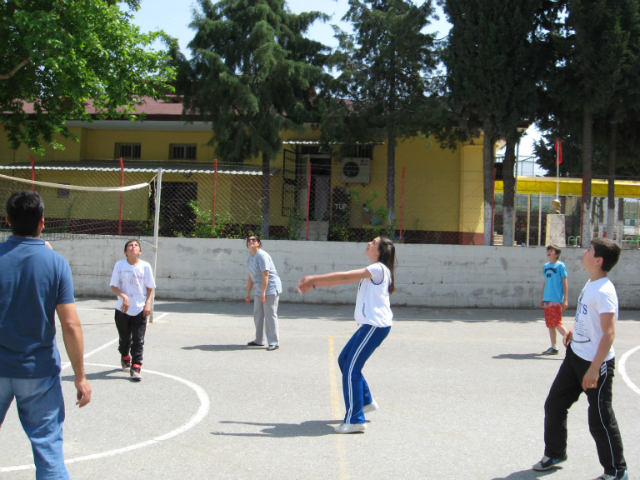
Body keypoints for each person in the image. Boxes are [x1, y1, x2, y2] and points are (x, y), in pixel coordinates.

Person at [0, 190, 91, 479]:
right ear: (42, 222)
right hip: (38, 371)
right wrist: (80, 375)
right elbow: (70, 325)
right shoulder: (56, 263)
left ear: (7, 220)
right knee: (48, 449)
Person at [533, 238, 628, 480]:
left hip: (596, 364)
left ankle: (616, 471)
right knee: (554, 405)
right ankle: (555, 453)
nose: (584, 252)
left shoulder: (605, 290)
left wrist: (594, 369)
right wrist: (575, 330)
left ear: (598, 260)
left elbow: (609, 333)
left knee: (600, 420)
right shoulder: (591, 283)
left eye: (589, 250)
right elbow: (587, 315)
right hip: (575, 357)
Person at [297, 236, 396, 434]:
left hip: (375, 326)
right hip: (371, 325)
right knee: (345, 360)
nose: (369, 243)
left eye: (374, 242)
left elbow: (344, 277)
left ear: (379, 251)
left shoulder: (378, 269)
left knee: (351, 368)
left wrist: (314, 280)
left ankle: (355, 419)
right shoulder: (377, 270)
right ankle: (366, 401)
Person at [110, 239, 156, 381]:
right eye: (130, 245)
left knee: (138, 340)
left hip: (139, 310)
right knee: (125, 339)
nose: (133, 247)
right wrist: (124, 297)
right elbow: (113, 286)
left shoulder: (145, 266)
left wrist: (148, 303)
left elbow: (150, 287)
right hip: (123, 310)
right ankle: (125, 356)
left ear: (140, 251)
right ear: (125, 251)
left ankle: (136, 366)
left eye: (136, 245)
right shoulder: (119, 265)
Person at [245, 234, 282, 351]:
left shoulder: (262, 256)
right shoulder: (250, 258)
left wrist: (263, 292)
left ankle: (274, 342)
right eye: (249, 240)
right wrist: (247, 293)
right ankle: (259, 340)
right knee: (258, 315)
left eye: (254, 240)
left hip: (270, 288)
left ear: (258, 243)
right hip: (259, 288)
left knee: (270, 315)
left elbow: (266, 275)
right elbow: (251, 276)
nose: (251, 241)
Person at [540, 244, 569, 355]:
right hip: (547, 299)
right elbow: (545, 282)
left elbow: (565, 282)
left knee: (556, 322)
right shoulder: (546, 266)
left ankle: (572, 343)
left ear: (557, 254)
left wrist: (565, 299)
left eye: (552, 251)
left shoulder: (560, 266)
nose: (549, 252)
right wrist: (542, 297)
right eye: (548, 250)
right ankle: (554, 346)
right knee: (550, 324)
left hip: (556, 299)